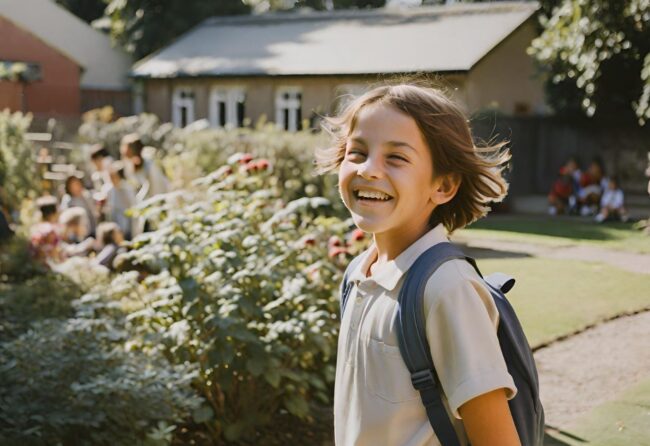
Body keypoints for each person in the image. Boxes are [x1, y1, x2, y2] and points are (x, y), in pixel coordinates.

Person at [316, 84, 520, 445]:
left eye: (396, 158)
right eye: (357, 151)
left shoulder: (447, 288)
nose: (369, 169)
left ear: (443, 186)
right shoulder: (359, 273)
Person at [120, 133, 170, 201]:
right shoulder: (133, 164)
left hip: (161, 193)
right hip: (153, 196)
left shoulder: (149, 161)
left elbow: (152, 184)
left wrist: (139, 199)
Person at [103, 161, 137, 240]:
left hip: (128, 226)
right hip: (116, 227)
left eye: (114, 176)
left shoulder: (127, 188)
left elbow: (133, 206)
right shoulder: (109, 190)